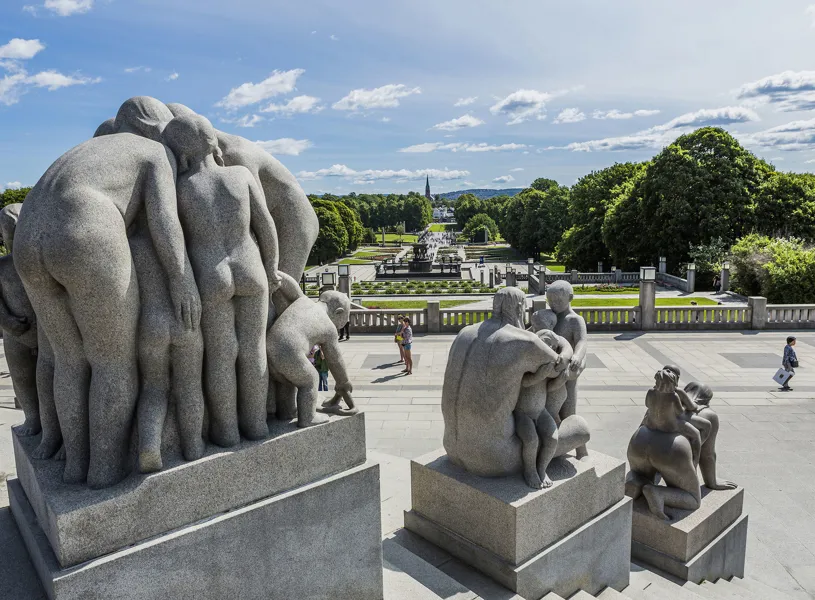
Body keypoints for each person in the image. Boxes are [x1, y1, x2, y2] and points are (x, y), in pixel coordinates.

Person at [163, 113, 282, 448]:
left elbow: (172, 238)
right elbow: (266, 227)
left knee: (221, 356)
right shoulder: (240, 175)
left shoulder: (181, 188)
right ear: (211, 142)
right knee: (253, 350)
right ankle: (257, 426)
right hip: (250, 267)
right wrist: (271, 266)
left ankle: (227, 432)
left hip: (210, 274)